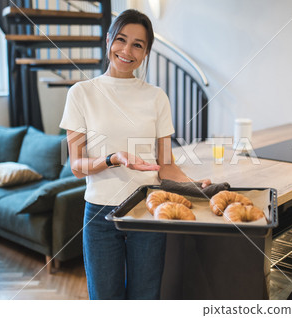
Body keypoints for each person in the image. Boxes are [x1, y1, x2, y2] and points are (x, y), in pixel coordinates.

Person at [59, 9, 211, 300]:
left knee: (146, 298)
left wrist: (193, 186)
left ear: (146, 53)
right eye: (121, 40)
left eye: (138, 45)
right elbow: (77, 167)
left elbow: (166, 165)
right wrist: (112, 158)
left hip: (148, 211)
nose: (127, 51)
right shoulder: (81, 93)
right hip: (101, 216)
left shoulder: (156, 97)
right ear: (108, 41)